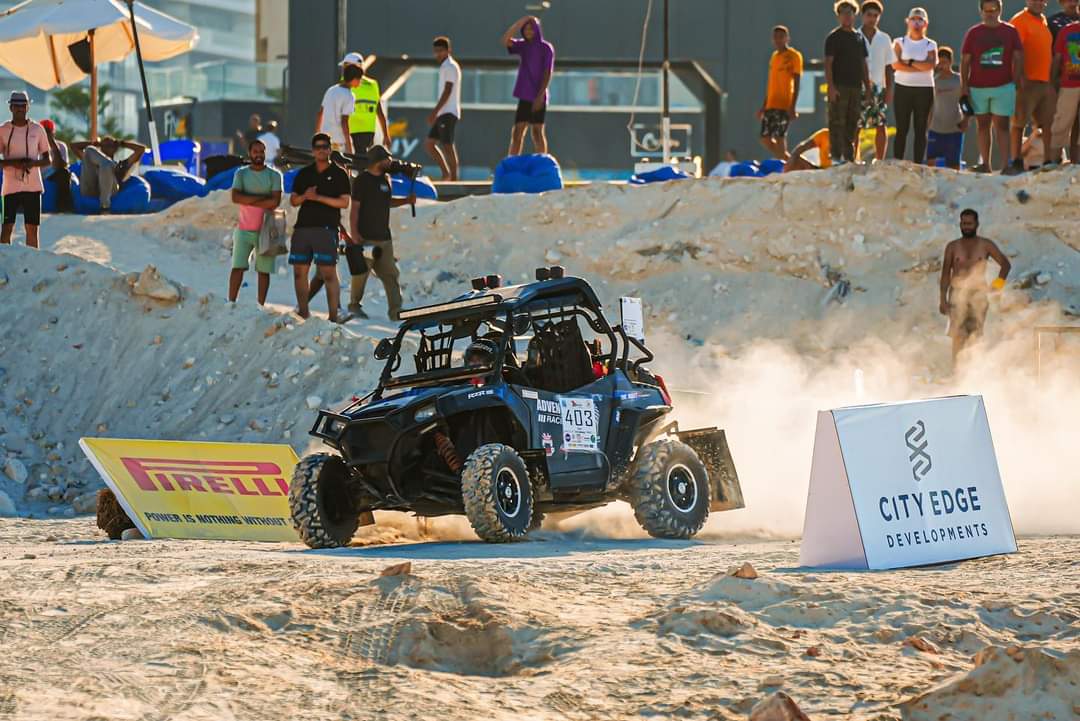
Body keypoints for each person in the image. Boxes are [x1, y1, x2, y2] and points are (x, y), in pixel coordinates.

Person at [347, 145, 415, 320]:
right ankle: (354, 305)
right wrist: (354, 233)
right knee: (361, 274)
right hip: (366, 237)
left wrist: (406, 201)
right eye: (387, 159)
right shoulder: (362, 180)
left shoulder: (386, 179)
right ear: (378, 161)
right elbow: (355, 208)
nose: (390, 162)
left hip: (384, 237)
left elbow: (387, 202)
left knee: (391, 274)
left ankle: (396, 310)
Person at [289, 133, 351, 322]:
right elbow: (293, 200)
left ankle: (333, 316)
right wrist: (305, 196)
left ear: (330, 149)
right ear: (313, 150)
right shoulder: (304, 174)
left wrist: (318, 198)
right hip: (303, 227)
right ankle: (303, 312)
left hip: (326, 228)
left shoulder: (339, 173)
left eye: (325, 146)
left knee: (328, 273)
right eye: (318, 147)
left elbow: (344, 202)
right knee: (299, 272)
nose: (322, 150)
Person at [939, 209, 1011, 364]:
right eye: (964, 223)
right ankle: (957, 370)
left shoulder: (986, 245)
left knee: (975, 335)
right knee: (958, 335)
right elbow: (945, 274)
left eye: (969, 224)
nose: (966, 227)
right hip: (957, 295)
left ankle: (973, 370)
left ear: (977, 224)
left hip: (978, 295)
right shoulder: (952, 246)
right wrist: (942, 299)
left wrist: (997, 285)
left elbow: (1005, 265)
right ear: (960, 224)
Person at [961, 0, 1024, 173]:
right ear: (981, 12)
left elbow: (1019, 56)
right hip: (977, 87)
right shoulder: (973, 33)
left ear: (1000, 10)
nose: (990, 14)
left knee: (1002, 126)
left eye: (993, 9)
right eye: (986, 10)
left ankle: (1005, 165)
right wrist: (964, 86)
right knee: (982, 125)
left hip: (1003, 86)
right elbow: (965, 60)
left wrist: (1016, 80)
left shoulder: (1010, 31)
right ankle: (985, 165)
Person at [229, 139, 283, 305]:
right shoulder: (241, 174)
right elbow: (235, 197)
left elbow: (275, 202)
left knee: (263, 271)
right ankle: (231, 302)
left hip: (268, 229)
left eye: (261, 151)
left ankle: (260, 305)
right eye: (255, 151)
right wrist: (263, 198)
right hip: (244, 228)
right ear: (249, 153)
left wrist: (247, 198)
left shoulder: (275, 175)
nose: (258, 155)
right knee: (237, 267)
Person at [1007, 0, 1057, 174]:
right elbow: (1014, 51)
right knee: (1019, 122)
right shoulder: (1019, 21)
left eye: (1041, 0)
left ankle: (1049, 160)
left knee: (1048, 123)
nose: (1038, 3)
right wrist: (1019, 76)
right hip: (1026, 82)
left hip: (1044, 82)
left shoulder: (1043, 21)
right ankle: (1016, 161)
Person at [0, 91, 52, 248]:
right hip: (9, 188)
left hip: (33, 187)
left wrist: (31, 164)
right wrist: (14, 163)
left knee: (32, 229)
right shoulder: (3, 130)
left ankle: (33, 262)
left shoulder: (37, 129)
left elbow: (47, 159)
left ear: (28, 107)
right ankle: (4, 261)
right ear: (10, 107)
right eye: (16, 105)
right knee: (6, 228)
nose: (20, 108)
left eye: (23, 105)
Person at [825, 1, 872, 165]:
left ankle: (849, 157)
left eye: (850, 13)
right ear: (838, 16)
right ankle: (836, 157)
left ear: (855, 15)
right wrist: (831, 87)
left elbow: (863, 64)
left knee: (853, 122)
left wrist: (868, 88)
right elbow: (828, 63)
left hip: (856, 87)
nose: (847, 16)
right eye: (843, 13)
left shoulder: (859, 37)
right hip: (840, 86)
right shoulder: (833, 37)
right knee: (837, 122)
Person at [503, 16, 555, 156]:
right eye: (525, 29)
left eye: (531, 28)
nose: (528, 31)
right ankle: (513, 162)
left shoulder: (546, 48)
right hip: (525, 94)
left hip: (538, 95)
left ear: (537, 29)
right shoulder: (523, 46)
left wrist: (540, 96)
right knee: (518, 132)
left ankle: (542, 162)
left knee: (537, 132)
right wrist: (521, 21)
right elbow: (505, 40)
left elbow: (547, 72)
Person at [892, 8, 939, 163]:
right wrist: (919, 65)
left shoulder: (930, 44)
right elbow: (896, 64)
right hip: (902, 88)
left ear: (925, 23)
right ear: (908, 22)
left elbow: (930, 65)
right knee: (902, 128)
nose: (916, 23)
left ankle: (918, 163)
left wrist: (910, 62)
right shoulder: (899, 42)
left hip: (924, 89)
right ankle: (898, 161)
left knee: (921, 128)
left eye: (920, 20)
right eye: (913, 19)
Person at [756, 26, 803, 161]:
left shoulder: (794, 56)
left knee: (779, 136)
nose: (778, 40)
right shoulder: (774, 57)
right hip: (771, 103)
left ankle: (785, 165)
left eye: (781, 37)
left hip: (784, 103)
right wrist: (764, 106)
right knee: (765, 138)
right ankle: (790, 162)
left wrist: (793, 106)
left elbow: (797, 82)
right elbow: (772, 83)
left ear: (787, 38)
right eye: (775, 37)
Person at [858, 1, 895, 162]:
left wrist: (889, 90)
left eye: (875, 16)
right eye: (869, 15)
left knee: (880, 124)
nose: (872, 19)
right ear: (862, 15)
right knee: (857, 125)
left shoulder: (884, 38)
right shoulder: (855, 36)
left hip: (879, 88)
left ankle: (879, 160)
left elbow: (889, 67)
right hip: (858, 87)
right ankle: (855, 159)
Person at [70, 136, 146, 214]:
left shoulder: (122, 165)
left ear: (115, 148)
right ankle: (110, 164)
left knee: (106, 166)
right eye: (105, 145)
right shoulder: (92, 161)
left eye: (110, 145)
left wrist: (122, 143)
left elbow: (141, 149)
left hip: (110, 192)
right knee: (89, 149)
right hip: (91, 189)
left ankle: (105, 206)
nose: (108, 147)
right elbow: (73, 146)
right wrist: (95, 143)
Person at [426, 36, 462, 180]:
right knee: (430, 144)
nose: (438, 54)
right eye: (436, 51)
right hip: (443, 112)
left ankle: (454, 179)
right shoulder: (445, 66)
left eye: (441, 50)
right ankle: (446, 174)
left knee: (448, 145)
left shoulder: (450, 67)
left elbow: (448, 90)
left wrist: (434, 112)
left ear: (448, 50)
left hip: (448, 112)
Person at [338, 52, 390, 154]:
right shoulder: (373, 84)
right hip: (369, 132)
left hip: (350, 131)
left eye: (345, 65)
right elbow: (379, 111)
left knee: (352, 160)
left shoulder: (345, 83)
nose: (343, 69)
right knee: (364, 160)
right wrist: (386, 134)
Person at [927, 47, 970, 169]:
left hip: (954, 128)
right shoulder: (933, 81)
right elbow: (930, 105)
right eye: (939, 62)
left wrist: (966, 119)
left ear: (951, 62)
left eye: (944, 62)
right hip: (935, 128)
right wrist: (927, 124)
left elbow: (966, 101)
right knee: (930, 161)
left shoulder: (959, 80)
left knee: (954, 163)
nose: (942, 66)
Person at [1048, 14, 1080, 163]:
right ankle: (1054, 161)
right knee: (1061, 123)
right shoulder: (1067, 31)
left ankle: (1077, 163)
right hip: (1069, 85)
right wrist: (1052, 81)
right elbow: (1057, 58)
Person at [315, 65, 363, 155]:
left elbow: (320, 113)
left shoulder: (331, 90)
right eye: (360, 79)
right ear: (354, 79)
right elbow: (344, 122)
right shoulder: (349, 96)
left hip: (324, 140)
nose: (360, 82)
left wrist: (317, 135)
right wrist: (349, 145)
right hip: (338, 143)